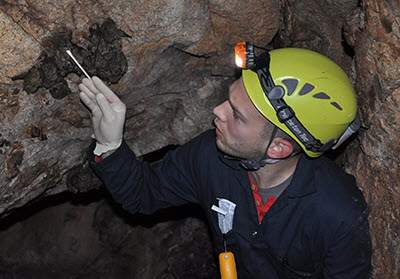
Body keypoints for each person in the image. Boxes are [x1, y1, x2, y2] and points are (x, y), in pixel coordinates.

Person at [78, 44, 371, 278]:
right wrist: (110, 143)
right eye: (228, 101)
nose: (217, 111)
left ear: (278, 148)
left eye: (237, 115)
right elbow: (143, 194)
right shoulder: (212, 156)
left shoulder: (337, 214)